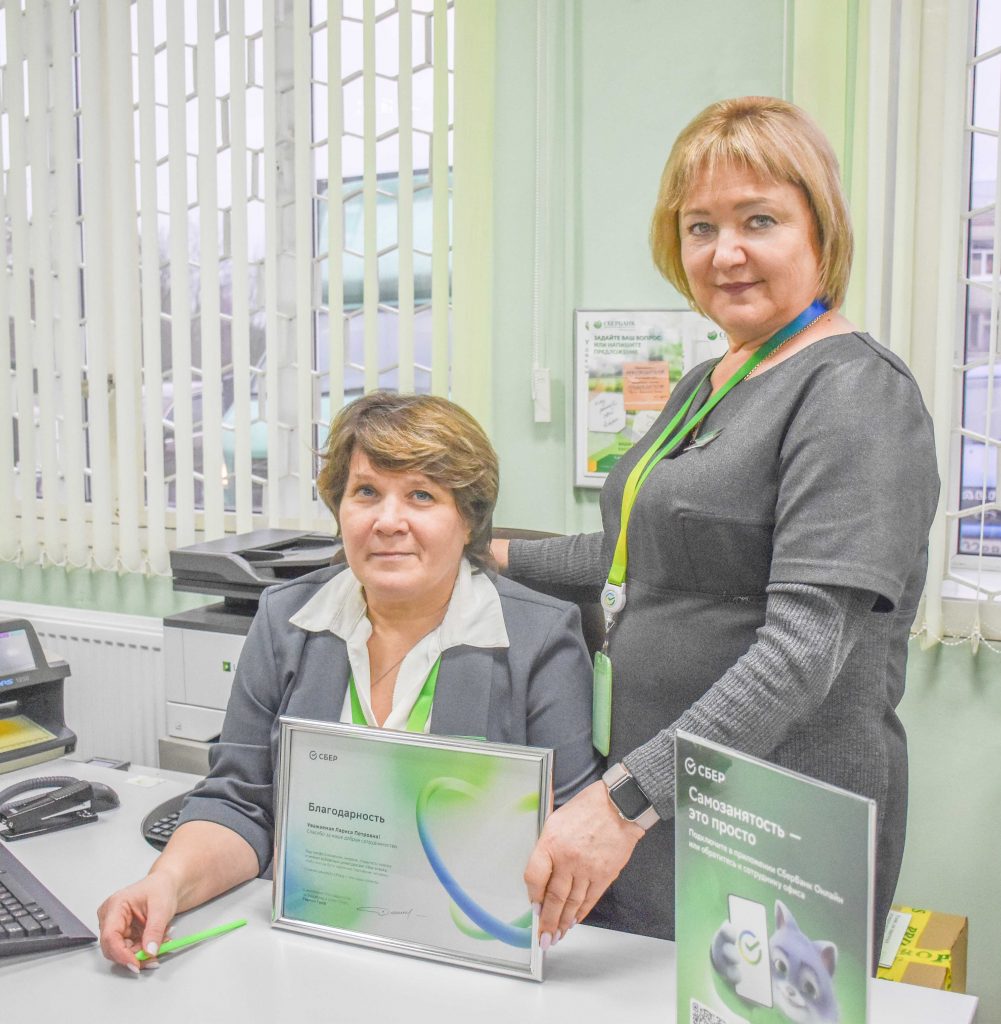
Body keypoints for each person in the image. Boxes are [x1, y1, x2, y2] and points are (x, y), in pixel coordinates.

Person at [494, 96, 939, 954]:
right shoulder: (710, 379)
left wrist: (623, 801)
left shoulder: (855, 393)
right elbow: (639, 557)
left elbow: (803, 649)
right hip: (663, 790)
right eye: (699, 227)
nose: (724, 252)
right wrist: (485, 552)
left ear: (820, 231)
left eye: (758, 220)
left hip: (770, 810)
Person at [99, 392, 601, 972]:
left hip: (472, 953)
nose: (388, 521)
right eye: (365, 492)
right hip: (308, 944)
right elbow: (239, 804)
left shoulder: (540, 640)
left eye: (422, 495)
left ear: (468, 520)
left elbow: (572, 843)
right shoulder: (285, 620)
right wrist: (165, 883)